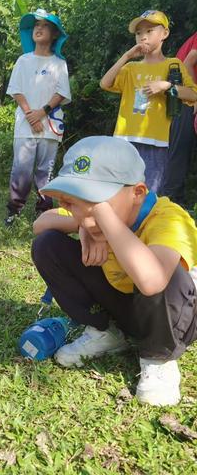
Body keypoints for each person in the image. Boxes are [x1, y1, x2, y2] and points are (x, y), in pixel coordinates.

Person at [32, 136, 197, 407]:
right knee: (48, 244)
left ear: (137, 193)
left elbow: (153, 280)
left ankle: (160, 358)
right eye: (72, 201)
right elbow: (41, 224)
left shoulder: (168, 218)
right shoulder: (86, 219)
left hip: (175, 317)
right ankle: (105, 333)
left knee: (162, 270)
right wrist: (82, 226)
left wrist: (106, 224)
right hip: (127, 307)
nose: (86, 212)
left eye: (97, 203)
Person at [100, 10, 197, 193]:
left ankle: (144, 222)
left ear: (165, 34)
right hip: (125, 140)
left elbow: (193, 94)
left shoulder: (173, 65)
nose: (143, 37)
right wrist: (127, 56)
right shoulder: (130, 68)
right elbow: (105, 83)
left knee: (148, 194)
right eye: (138, 33)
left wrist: (167, 86)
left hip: (156, 143)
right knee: (119, 193)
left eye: (149, 31)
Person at [5, 9, 71, 227]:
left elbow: (62, 92)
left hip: (50, 125)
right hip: (25, 126)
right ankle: (14, 210)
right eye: (36, 25)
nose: (39, 29)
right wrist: (30, 115)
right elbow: (16, 90)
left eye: (45, 26)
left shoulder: (59, 63)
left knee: (46, 170)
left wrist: (41, 113)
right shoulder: (23, 60)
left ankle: (44, 210)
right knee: (21, 169)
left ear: (54, 34)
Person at [162, 32, 197, 205]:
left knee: (179, 149)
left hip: (180, 95)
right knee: (180, 149)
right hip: (184, 96)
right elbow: (189, 62)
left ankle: (175, 200)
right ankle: (170, 202)